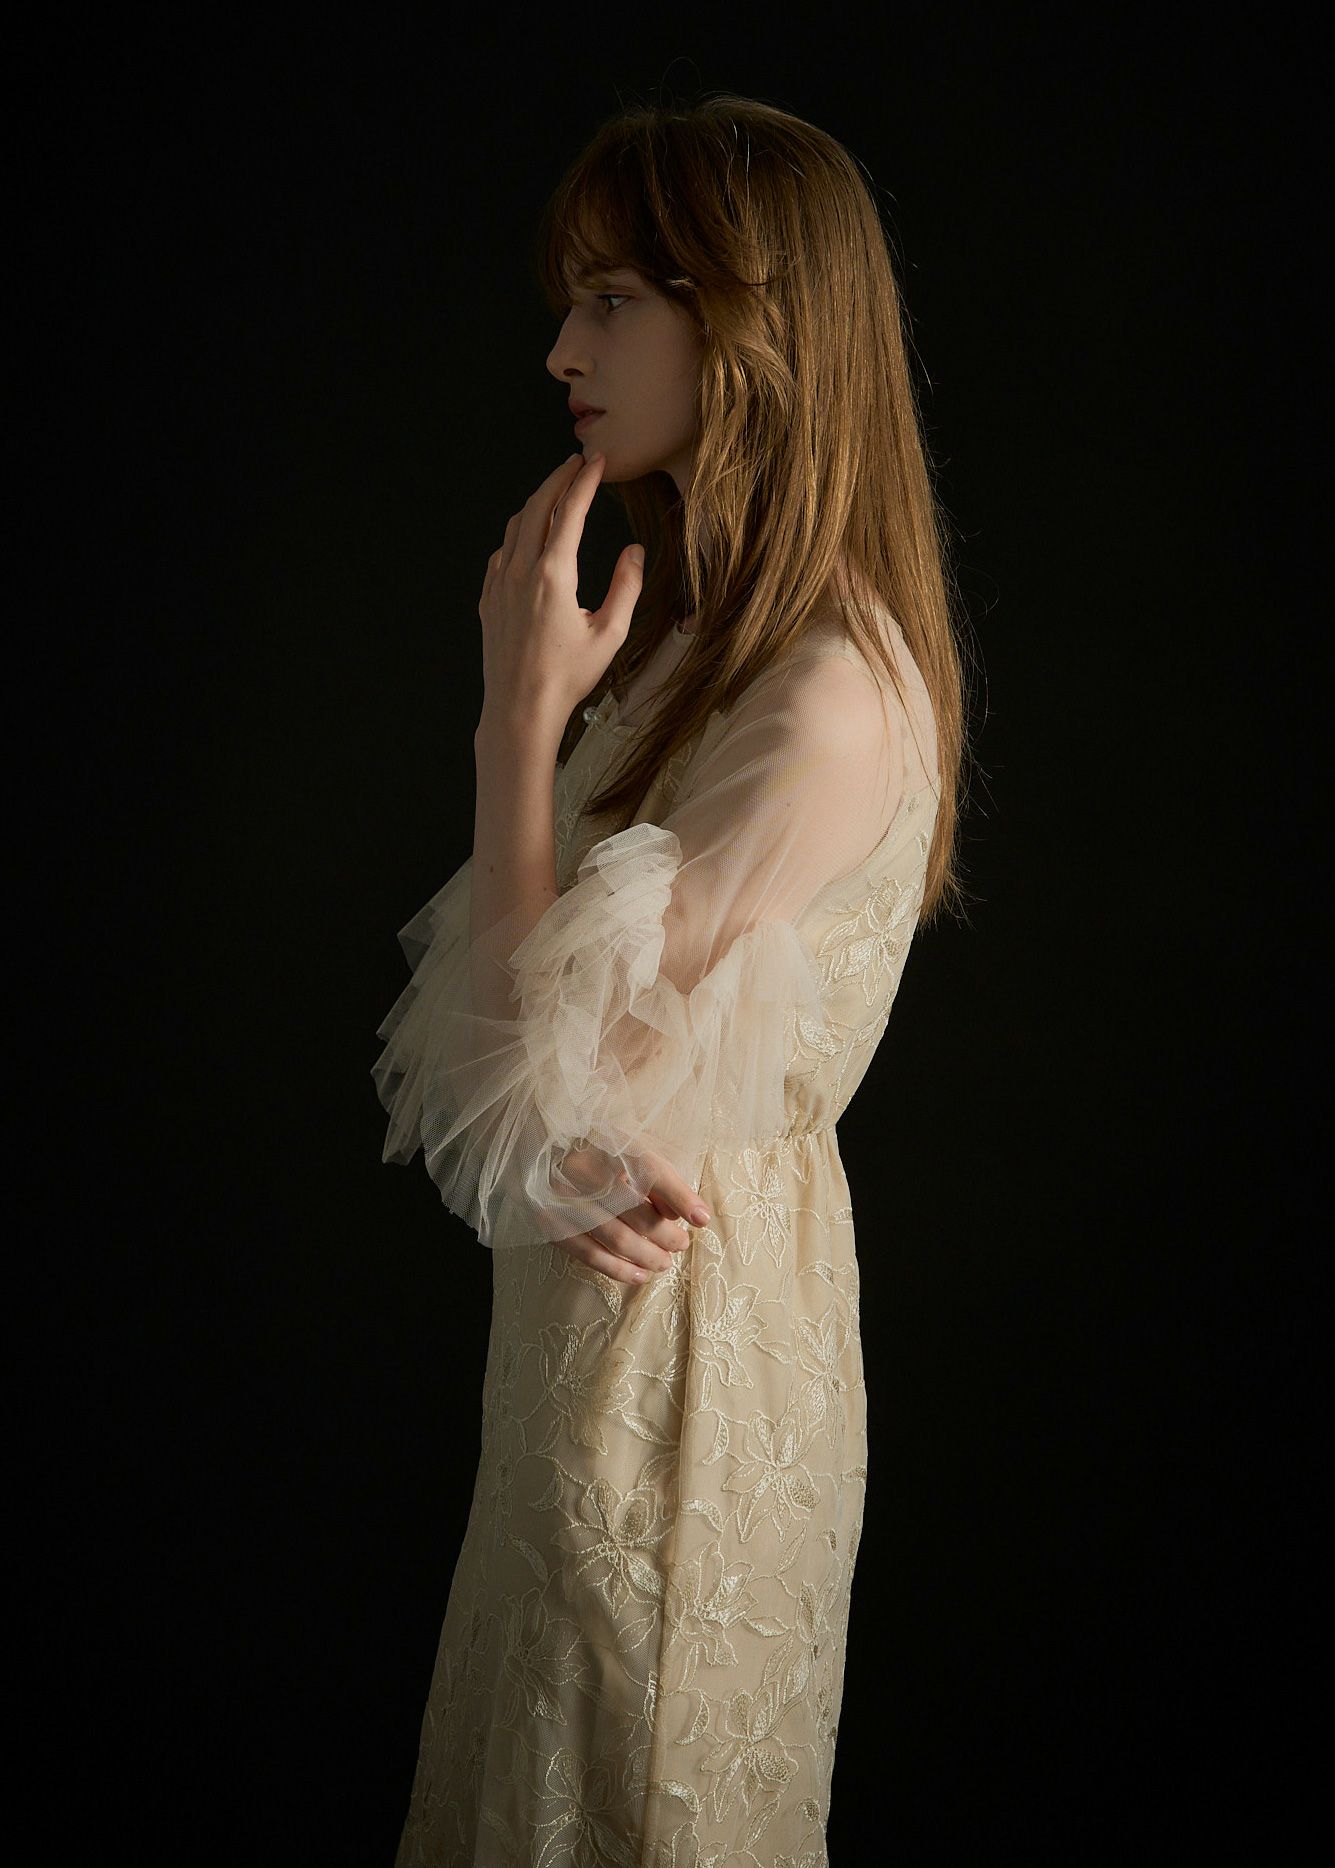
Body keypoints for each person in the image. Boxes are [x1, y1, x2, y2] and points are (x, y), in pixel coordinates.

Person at [372, 90, 970, 1866]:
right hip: (585, 1346)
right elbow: (517, 1095)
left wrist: (514, 720)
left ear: (754, 326)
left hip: (684, 1366)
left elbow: (532, 1090)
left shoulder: (828, 696)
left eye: (615, 297)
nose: (563, 348)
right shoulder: (704, 645)